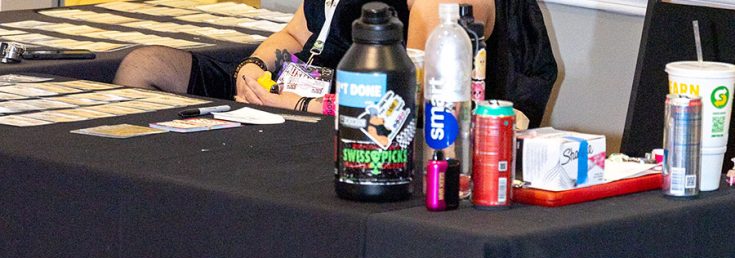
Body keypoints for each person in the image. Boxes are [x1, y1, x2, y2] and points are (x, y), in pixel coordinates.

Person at [114, 0, 555, 126]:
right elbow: (295, 35)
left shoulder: (438, 4)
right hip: (291, 89)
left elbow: (407, 102)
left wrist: (297, 106)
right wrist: (252, 67)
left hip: (352, 122)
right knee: (145, 66)